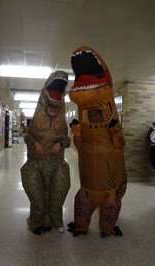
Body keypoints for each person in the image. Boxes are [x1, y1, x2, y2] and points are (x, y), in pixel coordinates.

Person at [67, 46, 127, 238]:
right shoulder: (82, 124)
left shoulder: (112, 127)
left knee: (109, 211)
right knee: (82, 208)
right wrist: (77, 134)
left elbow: (119, 143)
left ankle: (107, 227)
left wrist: (115, 132)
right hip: (85, 192)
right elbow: (80, 146)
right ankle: (82, 226)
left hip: (109, 193)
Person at [21, 71, 71, 235]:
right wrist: (34, 142)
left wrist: (61, 143)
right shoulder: (36, 118)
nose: (52, 110)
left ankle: (55, 221)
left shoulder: (61, 121)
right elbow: (28, 136)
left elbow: (67, 139)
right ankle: (36, 223)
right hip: (36, 164)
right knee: (38, 198)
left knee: (57, 196)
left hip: (56, 164)